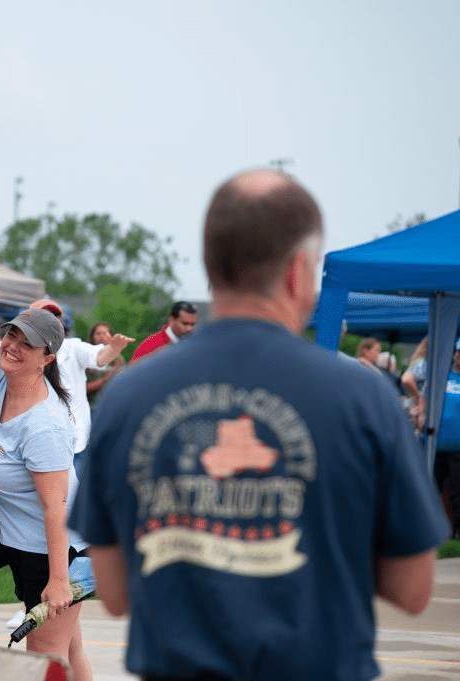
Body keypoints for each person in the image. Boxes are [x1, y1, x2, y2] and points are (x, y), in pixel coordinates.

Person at [70, 168, 448, 681]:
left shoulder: (128, 395)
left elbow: (113, 594)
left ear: (210, 266)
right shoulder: (365, 397)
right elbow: (412, 589)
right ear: (297, 271)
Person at [0, 308, 91, 680]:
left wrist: (57, 581)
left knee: (44, 657)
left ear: (48, 358)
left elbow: (56, 508)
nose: (14, 347)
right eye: (13, 337)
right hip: (29, 547)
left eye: (29, 345)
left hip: (59, 553)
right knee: (68, 647)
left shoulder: (44, 425)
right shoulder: (3, 368)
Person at [29, 300, 132, 473]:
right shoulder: (21, 351)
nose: (49, 321)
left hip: (74, 446)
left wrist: (113, 350)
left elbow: (99, 356)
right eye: (42, 316)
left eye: (54, 317)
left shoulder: (72, 347)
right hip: (37, 443)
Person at [432, 338, 460, 538]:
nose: (459, 356)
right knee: (431, 490)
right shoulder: (444, 376)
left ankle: (454, 536)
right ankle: (430, 535)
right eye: (458, 352)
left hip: (458, 449)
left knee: (456, 494)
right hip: (437, 445)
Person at [129, 300, 197, 364]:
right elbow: (131, 373)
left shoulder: (193, 346)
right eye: (185, 323)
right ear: (171, 320)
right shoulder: (151, 345)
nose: (189, 328)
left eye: (192, 324)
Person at [85, 322, 126, 399]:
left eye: (105, 333)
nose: (101, 337)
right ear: (92, 337)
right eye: (98, 334)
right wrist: (105, 379)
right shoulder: (85, 358)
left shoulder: (118, 359)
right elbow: (80, 389)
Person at [402, 335, 430, 429]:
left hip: (418, 410)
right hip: (422, 411)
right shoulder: (424, 363)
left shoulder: (420, 362)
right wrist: (418, 395)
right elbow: (406, 379)